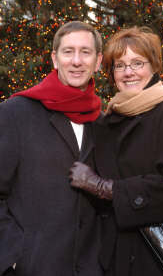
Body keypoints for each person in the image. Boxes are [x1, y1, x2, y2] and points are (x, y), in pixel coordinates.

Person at [69, 26, 163, 275]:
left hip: (157, 255)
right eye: (120, 65)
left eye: (137, 63)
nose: (128, 72)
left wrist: (103, 188)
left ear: (154, 67)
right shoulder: (109, 118)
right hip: (111, 254)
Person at [0, 21, 104, 276]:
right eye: (68, 52)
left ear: (98, 61)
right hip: (33, 267)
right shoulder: (16, 113)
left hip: (92, 268)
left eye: (85, 52)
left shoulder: (104, 122)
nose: (76, 61)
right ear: (55, 59)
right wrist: (10, 257)